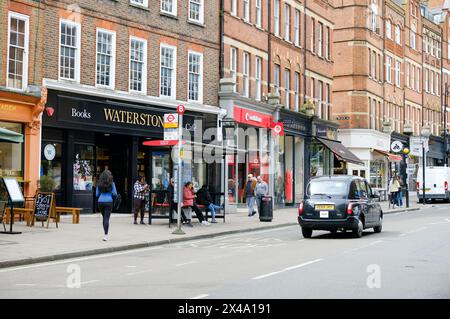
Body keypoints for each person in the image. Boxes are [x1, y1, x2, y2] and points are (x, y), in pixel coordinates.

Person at [96, 169, 117, 241]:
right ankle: (105, 235)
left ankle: (105, 234)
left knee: (104, 218)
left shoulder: (99, 183)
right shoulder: (112, 183)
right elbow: (115, 194)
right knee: (106, 218)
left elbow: (97, 194)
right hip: (109, 202)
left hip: (100, 202)